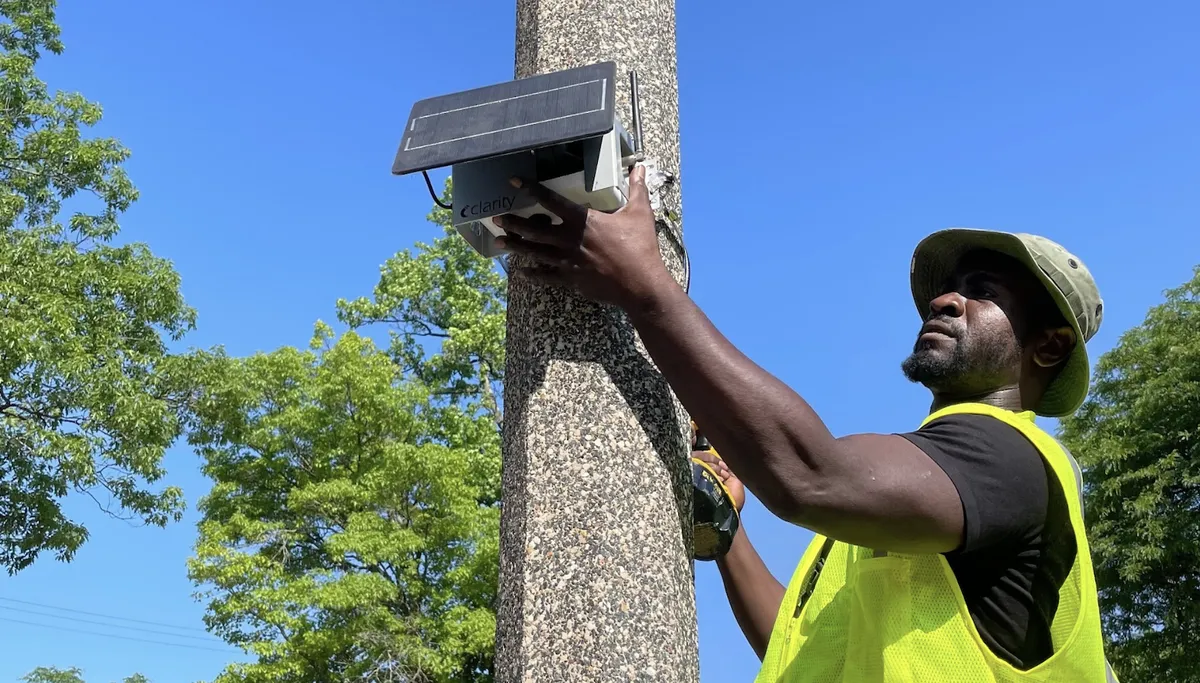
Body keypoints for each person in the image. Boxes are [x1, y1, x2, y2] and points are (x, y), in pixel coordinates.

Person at [494, 165, 1117, 682]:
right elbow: (794, 653)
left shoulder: (1012, 462)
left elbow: (807, 475)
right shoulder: (895, 508)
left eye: (982, 293)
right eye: (946, 289)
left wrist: (646, 288)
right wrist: (728, 531)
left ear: (1050, 347)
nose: (944, 300)